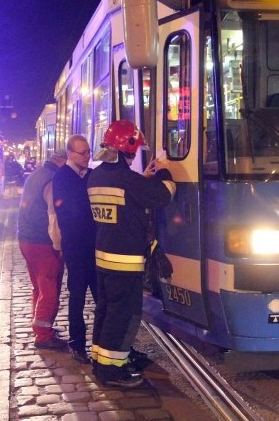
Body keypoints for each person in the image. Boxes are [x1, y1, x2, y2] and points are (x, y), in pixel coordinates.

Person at [87, 120, 176, 388]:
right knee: (124, 316)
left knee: (105, 311)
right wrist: (163, 173)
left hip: (103, 258)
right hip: (125, 262)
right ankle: (113, 372)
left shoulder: (97, 176)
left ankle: (100, 360)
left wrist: (142, 180)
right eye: (136, 149)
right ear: (128, 147)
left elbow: (127, 196)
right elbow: (164, 195)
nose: (136, 154)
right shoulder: (127, 180)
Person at [52, 134, 98, 364]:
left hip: (94, 246)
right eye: (83, 152)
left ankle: (101, 344)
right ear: (70, 153)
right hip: (76, 247)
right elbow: (75, 210)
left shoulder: (90, 174)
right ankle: (77, 343)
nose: (87, 156)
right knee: (78, 296)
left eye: (89, 151)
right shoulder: (62, 177)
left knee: (101, 296)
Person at [17, 151, 67, 350]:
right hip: (42, 242)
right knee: (49, 288)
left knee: (38, 286)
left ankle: (39, 325)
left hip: (26, 239)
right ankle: (44, 335)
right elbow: (53, 217)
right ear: (62, 161)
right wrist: (59, 246)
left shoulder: (36, 174)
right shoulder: (52, 180)